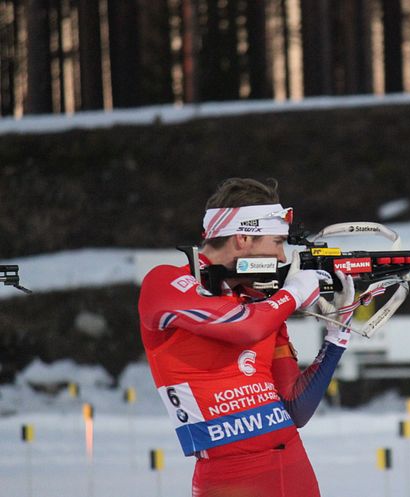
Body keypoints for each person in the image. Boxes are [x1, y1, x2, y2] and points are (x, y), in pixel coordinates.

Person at [138, 177, 356, 497]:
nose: (283, 258)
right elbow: (245, 327)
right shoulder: (165, 283)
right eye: (278, 242)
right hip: (229, 477)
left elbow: (295, 407)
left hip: (293, 467)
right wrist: (292, 294)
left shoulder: (259, 302)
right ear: (242, 238)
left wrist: (337, 338)